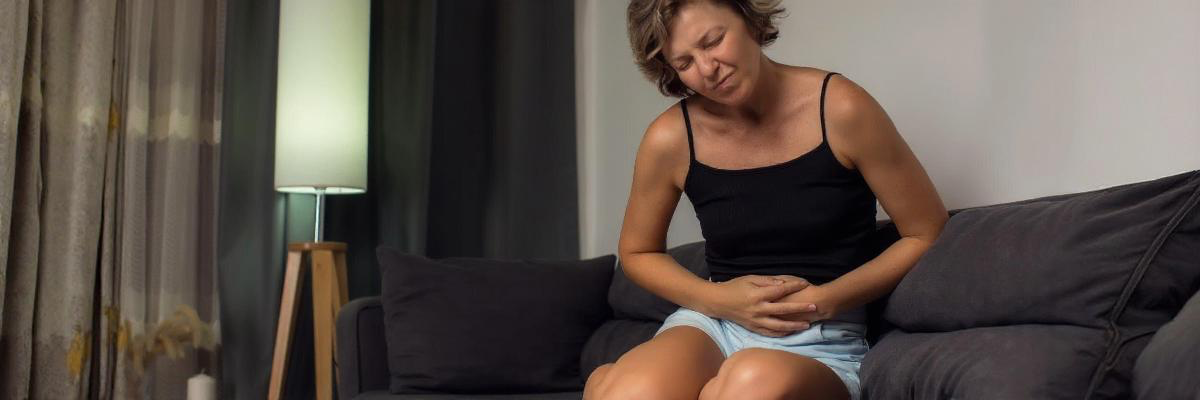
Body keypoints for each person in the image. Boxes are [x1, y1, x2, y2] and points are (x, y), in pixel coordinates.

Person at [582, 1, 949, 399]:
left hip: (819, 338)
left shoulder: (841, 108)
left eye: (713, 41)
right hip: (715, 324)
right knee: (632, 392)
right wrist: (719, 299)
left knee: (749, 381)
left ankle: (608, 384)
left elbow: (925, 231)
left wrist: (825, 300)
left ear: (748, 19)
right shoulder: (670, 138)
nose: (707, 69)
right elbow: (637, 252)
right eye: (684, 62)